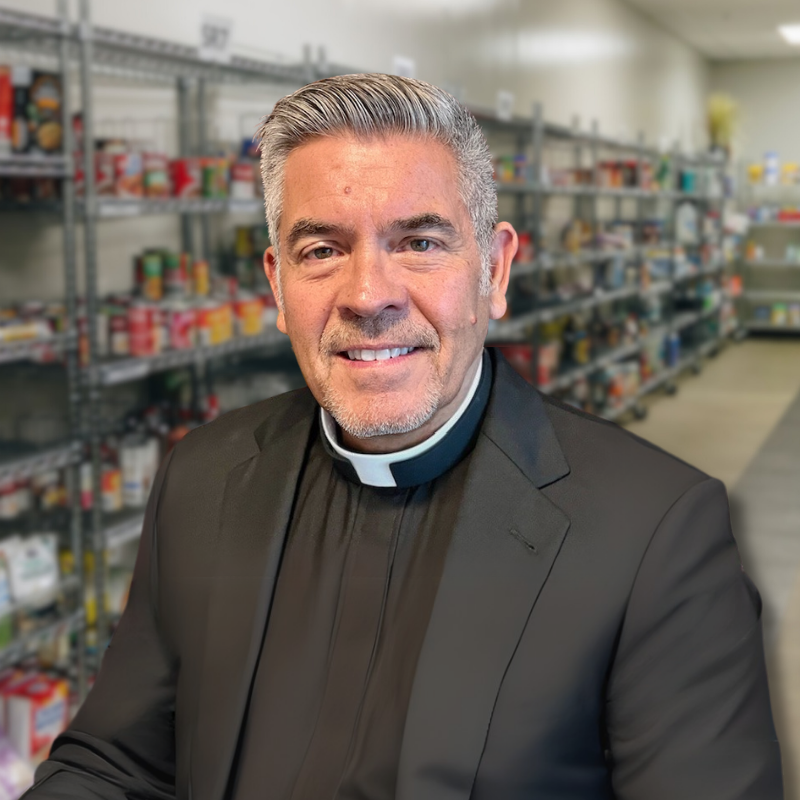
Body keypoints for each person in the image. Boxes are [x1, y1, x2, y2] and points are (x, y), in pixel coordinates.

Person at [26, 74, 781, 800]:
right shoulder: (202, 477)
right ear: (277, 287)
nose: (368, 296)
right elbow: (113, 764)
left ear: (495, 269)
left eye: (419, 242)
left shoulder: (656, 535)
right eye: (321, 250)